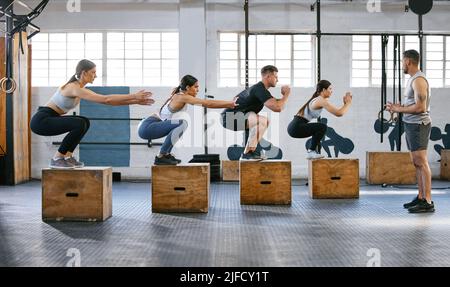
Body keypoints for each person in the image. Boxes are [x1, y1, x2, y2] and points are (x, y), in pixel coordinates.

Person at [30, 59, 154, 169]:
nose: (95, 75)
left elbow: (109, 102)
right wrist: (133, 96)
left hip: (49, 118)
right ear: (84, 73)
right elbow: (106, 99)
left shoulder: (80, 88)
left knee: (84, 121)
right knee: (79, 123)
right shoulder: (73, 87)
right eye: (93, 72)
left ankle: (67, 157)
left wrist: (136, 101)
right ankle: (57, 158)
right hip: (41, 121)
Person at [138, 74, 237, 165]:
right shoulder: (182, 97)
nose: (197, 90)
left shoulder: (178, 94)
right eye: (196, 87)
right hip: (147, 126)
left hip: (148, 125)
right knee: (182, 123)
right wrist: (229, 104)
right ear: (188, 87)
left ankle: (165, 154)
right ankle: (161, 155)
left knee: (179, 124)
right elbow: (207, 103)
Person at [386, 49, 434, 213]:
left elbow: (421, 107)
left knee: (422, 161)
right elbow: (412, 103)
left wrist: (399, 110)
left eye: (402, 62)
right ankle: (421, 196)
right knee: (416, 162)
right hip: (411, 124)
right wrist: (398, 107)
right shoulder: (413, 79)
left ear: (408, 61)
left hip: (418, 125)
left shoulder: (419, 80)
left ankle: (427, 200)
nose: (402, 65)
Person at [221, 65, 290, 160]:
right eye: (276, 77)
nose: (277, 80)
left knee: (257, 120)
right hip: (229, 117)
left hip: (238, 116)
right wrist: (286, 94)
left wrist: (283, 97)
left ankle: (251, 152)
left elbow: (279, 105)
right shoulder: (259, 89)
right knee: (263, 121)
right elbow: (277, 107)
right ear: (268, 76)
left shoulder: (262, 90)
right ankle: (248, 153)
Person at [287, 80, 352, 159]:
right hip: (296, 127)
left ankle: (312, 151)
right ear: (324, 90)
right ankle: (311, 151)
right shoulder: (320, 100)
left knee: (319, 128)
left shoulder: (319, 99)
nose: (332, 91)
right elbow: (339, 113)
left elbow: (339, 111)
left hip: (295, 126)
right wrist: (348, 103)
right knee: (322, 127)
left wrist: (345, 104)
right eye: (330, 89)